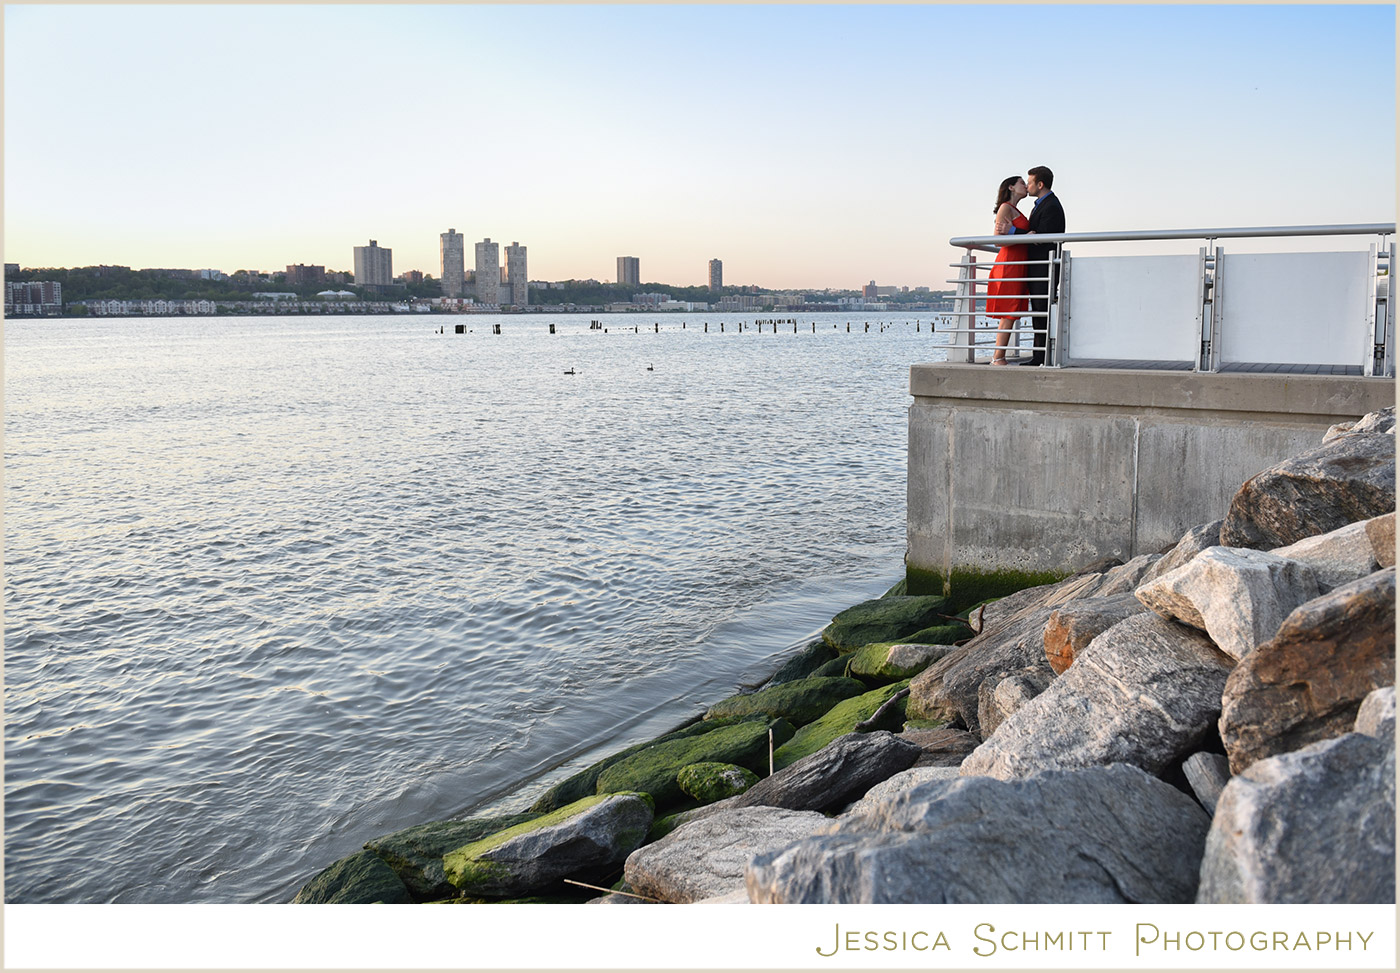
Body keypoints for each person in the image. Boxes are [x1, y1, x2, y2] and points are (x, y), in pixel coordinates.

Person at [1019, 165, 1066, 366]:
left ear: (1040, 184)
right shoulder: (1041, 204)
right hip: (1038, 266)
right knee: (1038, 311)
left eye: (1029, 182)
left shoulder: (1051, 206)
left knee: (1041, 311)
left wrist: (1017, 234)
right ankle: (1039, 354)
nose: (1027, 186)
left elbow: (1042, 237)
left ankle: (1041, 356)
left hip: (1044, 267)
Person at [985, 176, 1030, 364]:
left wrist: (1018, 233)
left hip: (1018, 264)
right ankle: (998, 357)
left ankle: (999, 356)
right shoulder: (1005, 208)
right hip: (1009, 264)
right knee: (1009, 311)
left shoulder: (1015, 209)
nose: (1026, 185)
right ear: (1011, 187)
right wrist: (1025, 235)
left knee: (1013, 311)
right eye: (1022, 182)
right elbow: (998, 240)